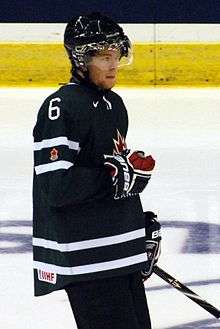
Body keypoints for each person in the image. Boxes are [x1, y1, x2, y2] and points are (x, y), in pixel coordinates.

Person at [32, 12, 160, 329]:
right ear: (81, 59)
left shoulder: (114, 105)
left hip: (118, 256)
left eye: (116, 55)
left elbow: (113, 179)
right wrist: (113, 177)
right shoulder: (60, 106)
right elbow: (57, 188)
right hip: (89, 260)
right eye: (105, 57)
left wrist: (133, 227)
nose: (114, 65)